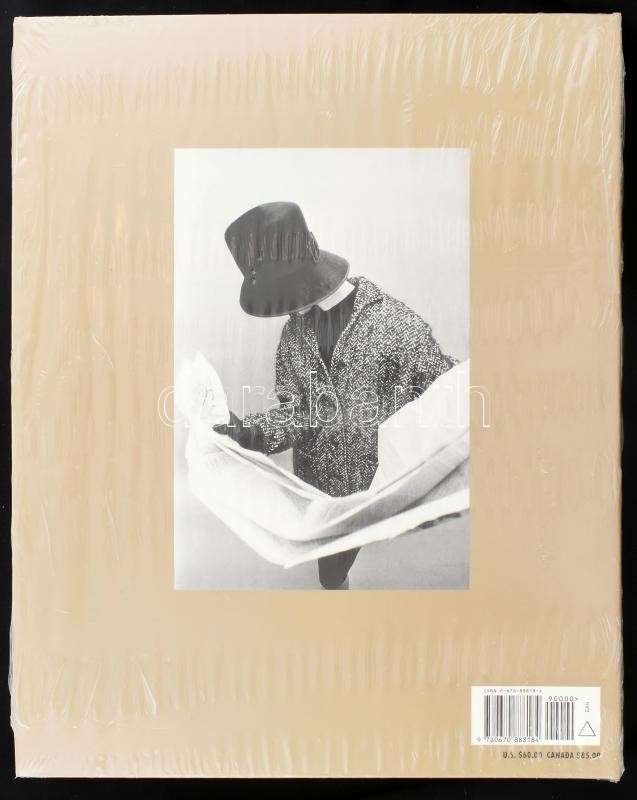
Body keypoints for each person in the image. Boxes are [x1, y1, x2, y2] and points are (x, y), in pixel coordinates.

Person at [214, 201, 456, 589]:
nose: (285, 311)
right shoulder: (294, 334)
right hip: (318, 494)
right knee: (330, 579)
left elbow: (447, 388)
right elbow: (297, 412)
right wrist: (249, 434)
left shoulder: (391, 323)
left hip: (377, 489)